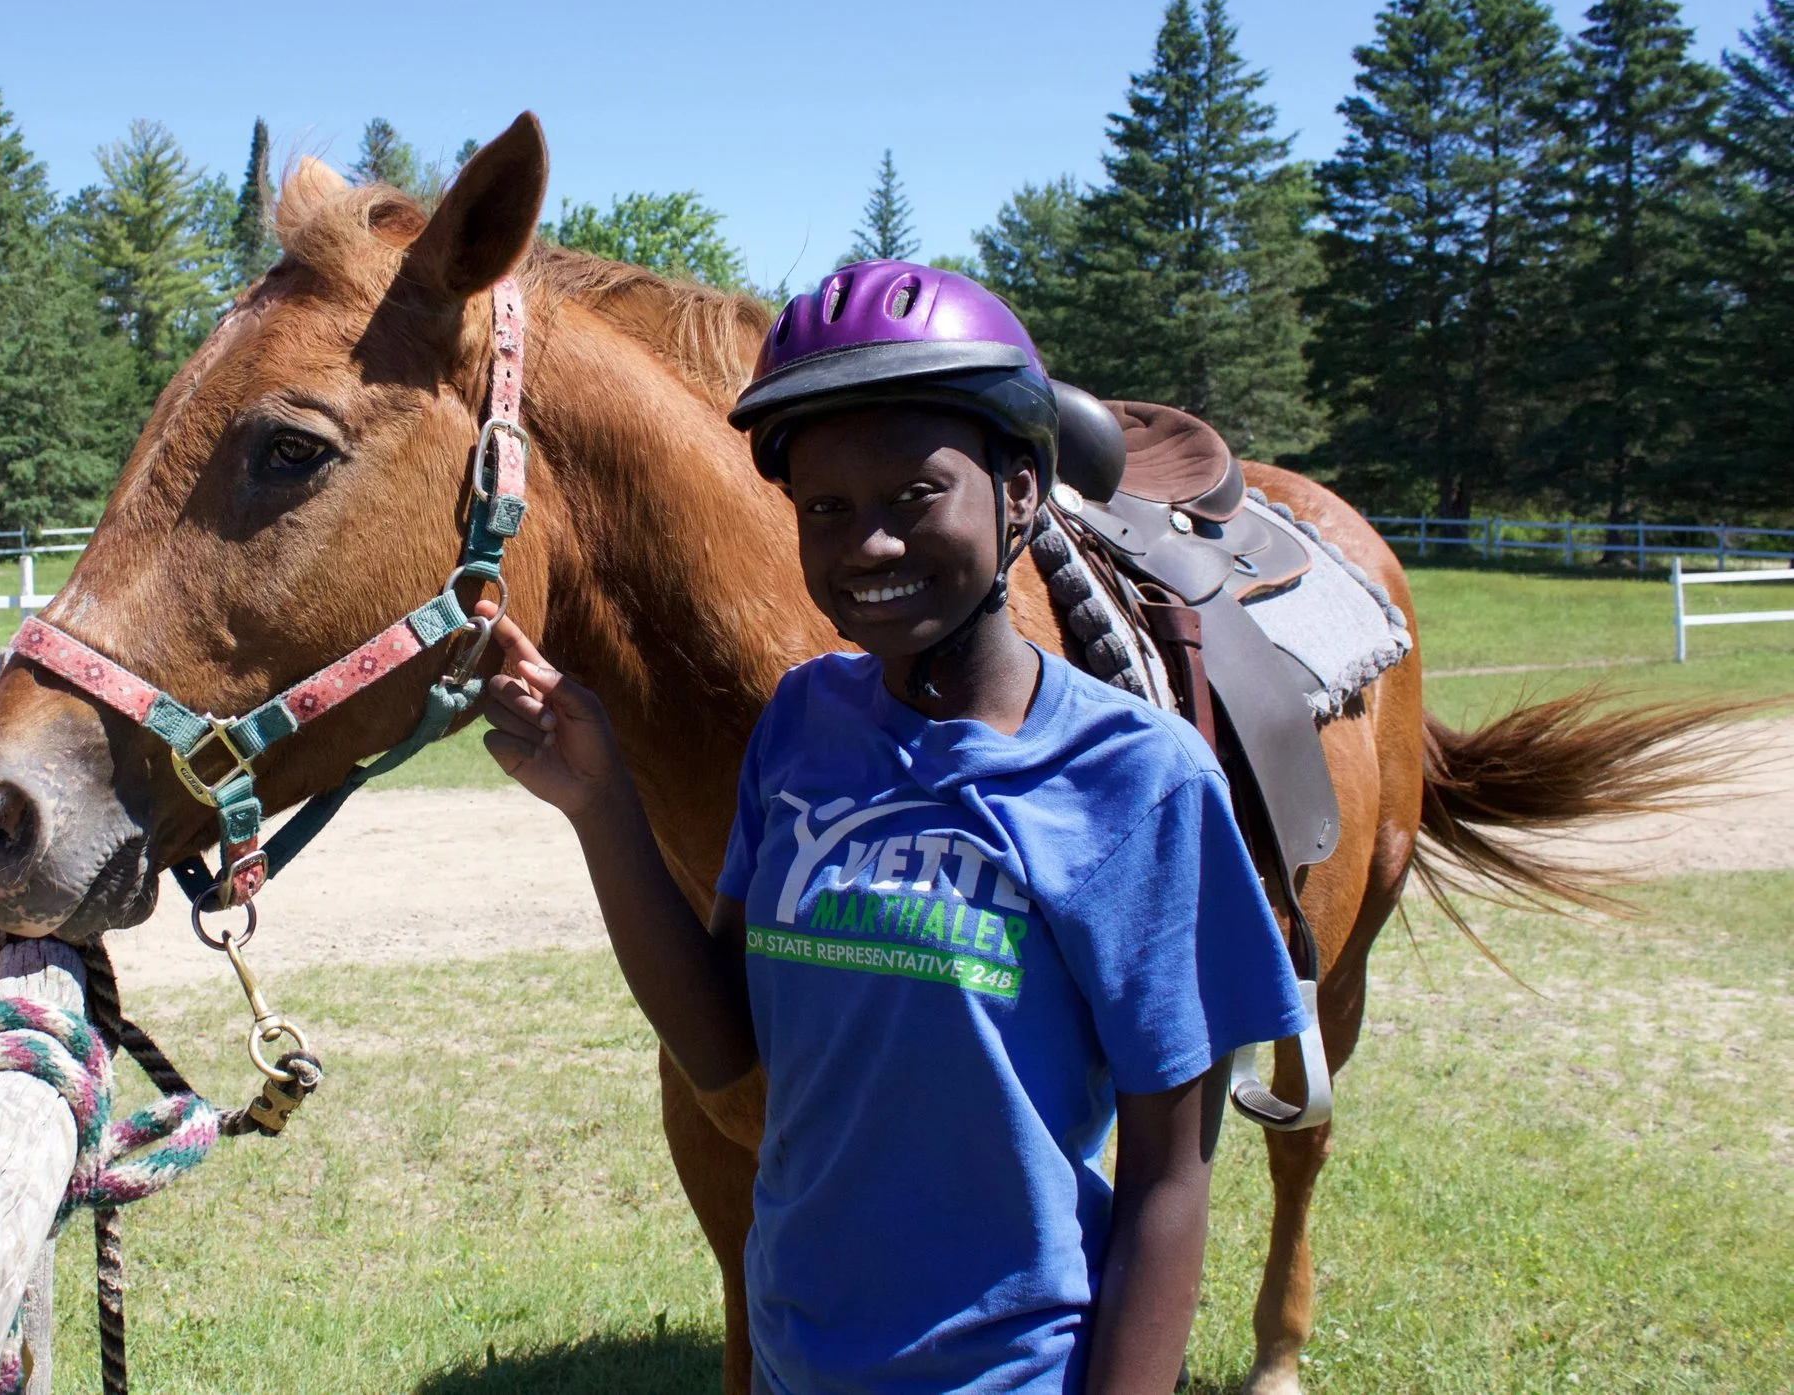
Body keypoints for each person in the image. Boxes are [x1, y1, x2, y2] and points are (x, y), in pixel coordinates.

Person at [476, 261, 1309, 1395]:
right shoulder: (802, 724)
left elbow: (1170, 1173)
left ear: (1018, 493)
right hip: (790, 1358)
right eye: (826, 508)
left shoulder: (1136, 779)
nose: (867, 544)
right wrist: (600, 804)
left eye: (916, 495)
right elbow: (725, 1044)